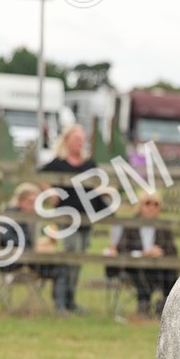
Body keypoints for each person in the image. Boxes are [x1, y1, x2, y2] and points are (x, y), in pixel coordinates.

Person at [38, 124, 109, 314]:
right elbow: (39, 175)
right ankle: (62, 300)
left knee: (79, 258)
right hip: (67, 218)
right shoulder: (58, 163)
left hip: (87, 218)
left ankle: (71, 300)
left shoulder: (89, 163)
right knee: (71, 254)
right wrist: (50, 191)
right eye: (76, 139)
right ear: (67, 141)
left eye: (82, 139)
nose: (80, 142)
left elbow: (98, 183)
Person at [104, 193, 179, 316]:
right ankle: (144, 305)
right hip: (135, 269)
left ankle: (165, 306)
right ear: (140, 206)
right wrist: (143, 254)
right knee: (141, 273)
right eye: (147, 204)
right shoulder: (130, 225)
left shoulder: (164, 227)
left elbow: (173, 252)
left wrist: (161, 253)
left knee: (171, 274)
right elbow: (122, 249)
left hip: (159, 268)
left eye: (156, 204)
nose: (151, 207)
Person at [0, 182, 68, 308]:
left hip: (28, 260)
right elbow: (5, 237)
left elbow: (29, 241)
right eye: (30, 202)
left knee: (61, 266)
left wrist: (45, 242)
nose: (33, 206)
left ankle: (61, 307)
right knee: (60, 270)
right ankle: (61, 308)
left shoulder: (29, 218)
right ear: (19, 201)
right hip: (15, 262)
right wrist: (29, 249)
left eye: (36, 202)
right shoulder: (9, 215)